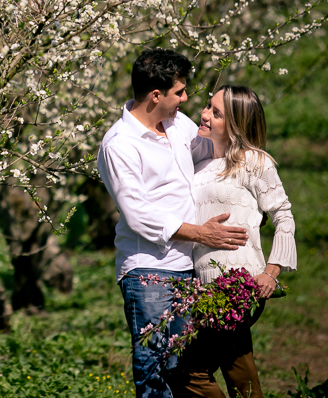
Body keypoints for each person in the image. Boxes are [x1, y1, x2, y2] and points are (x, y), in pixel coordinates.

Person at [97, 48, 250, 398]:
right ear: (156, 95)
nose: (186, 99)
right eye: (179, 92)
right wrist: (201, 232)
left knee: (185, 371)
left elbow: (208, 153)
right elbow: (137, 214)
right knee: (156, 372)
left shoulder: (178, 125)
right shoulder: (120, 145)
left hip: (189, 265)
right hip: (150, 271)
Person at [177, 85, 297, 398]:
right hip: (205, 289)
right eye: (207, 107)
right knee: (238, 366)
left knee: (187, 373)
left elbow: (284, 218)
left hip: (239, 286)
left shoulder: (254, 162)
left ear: (236, 125)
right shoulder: (199, 167)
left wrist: (271, 272)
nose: (204, 114)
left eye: (216, 113)